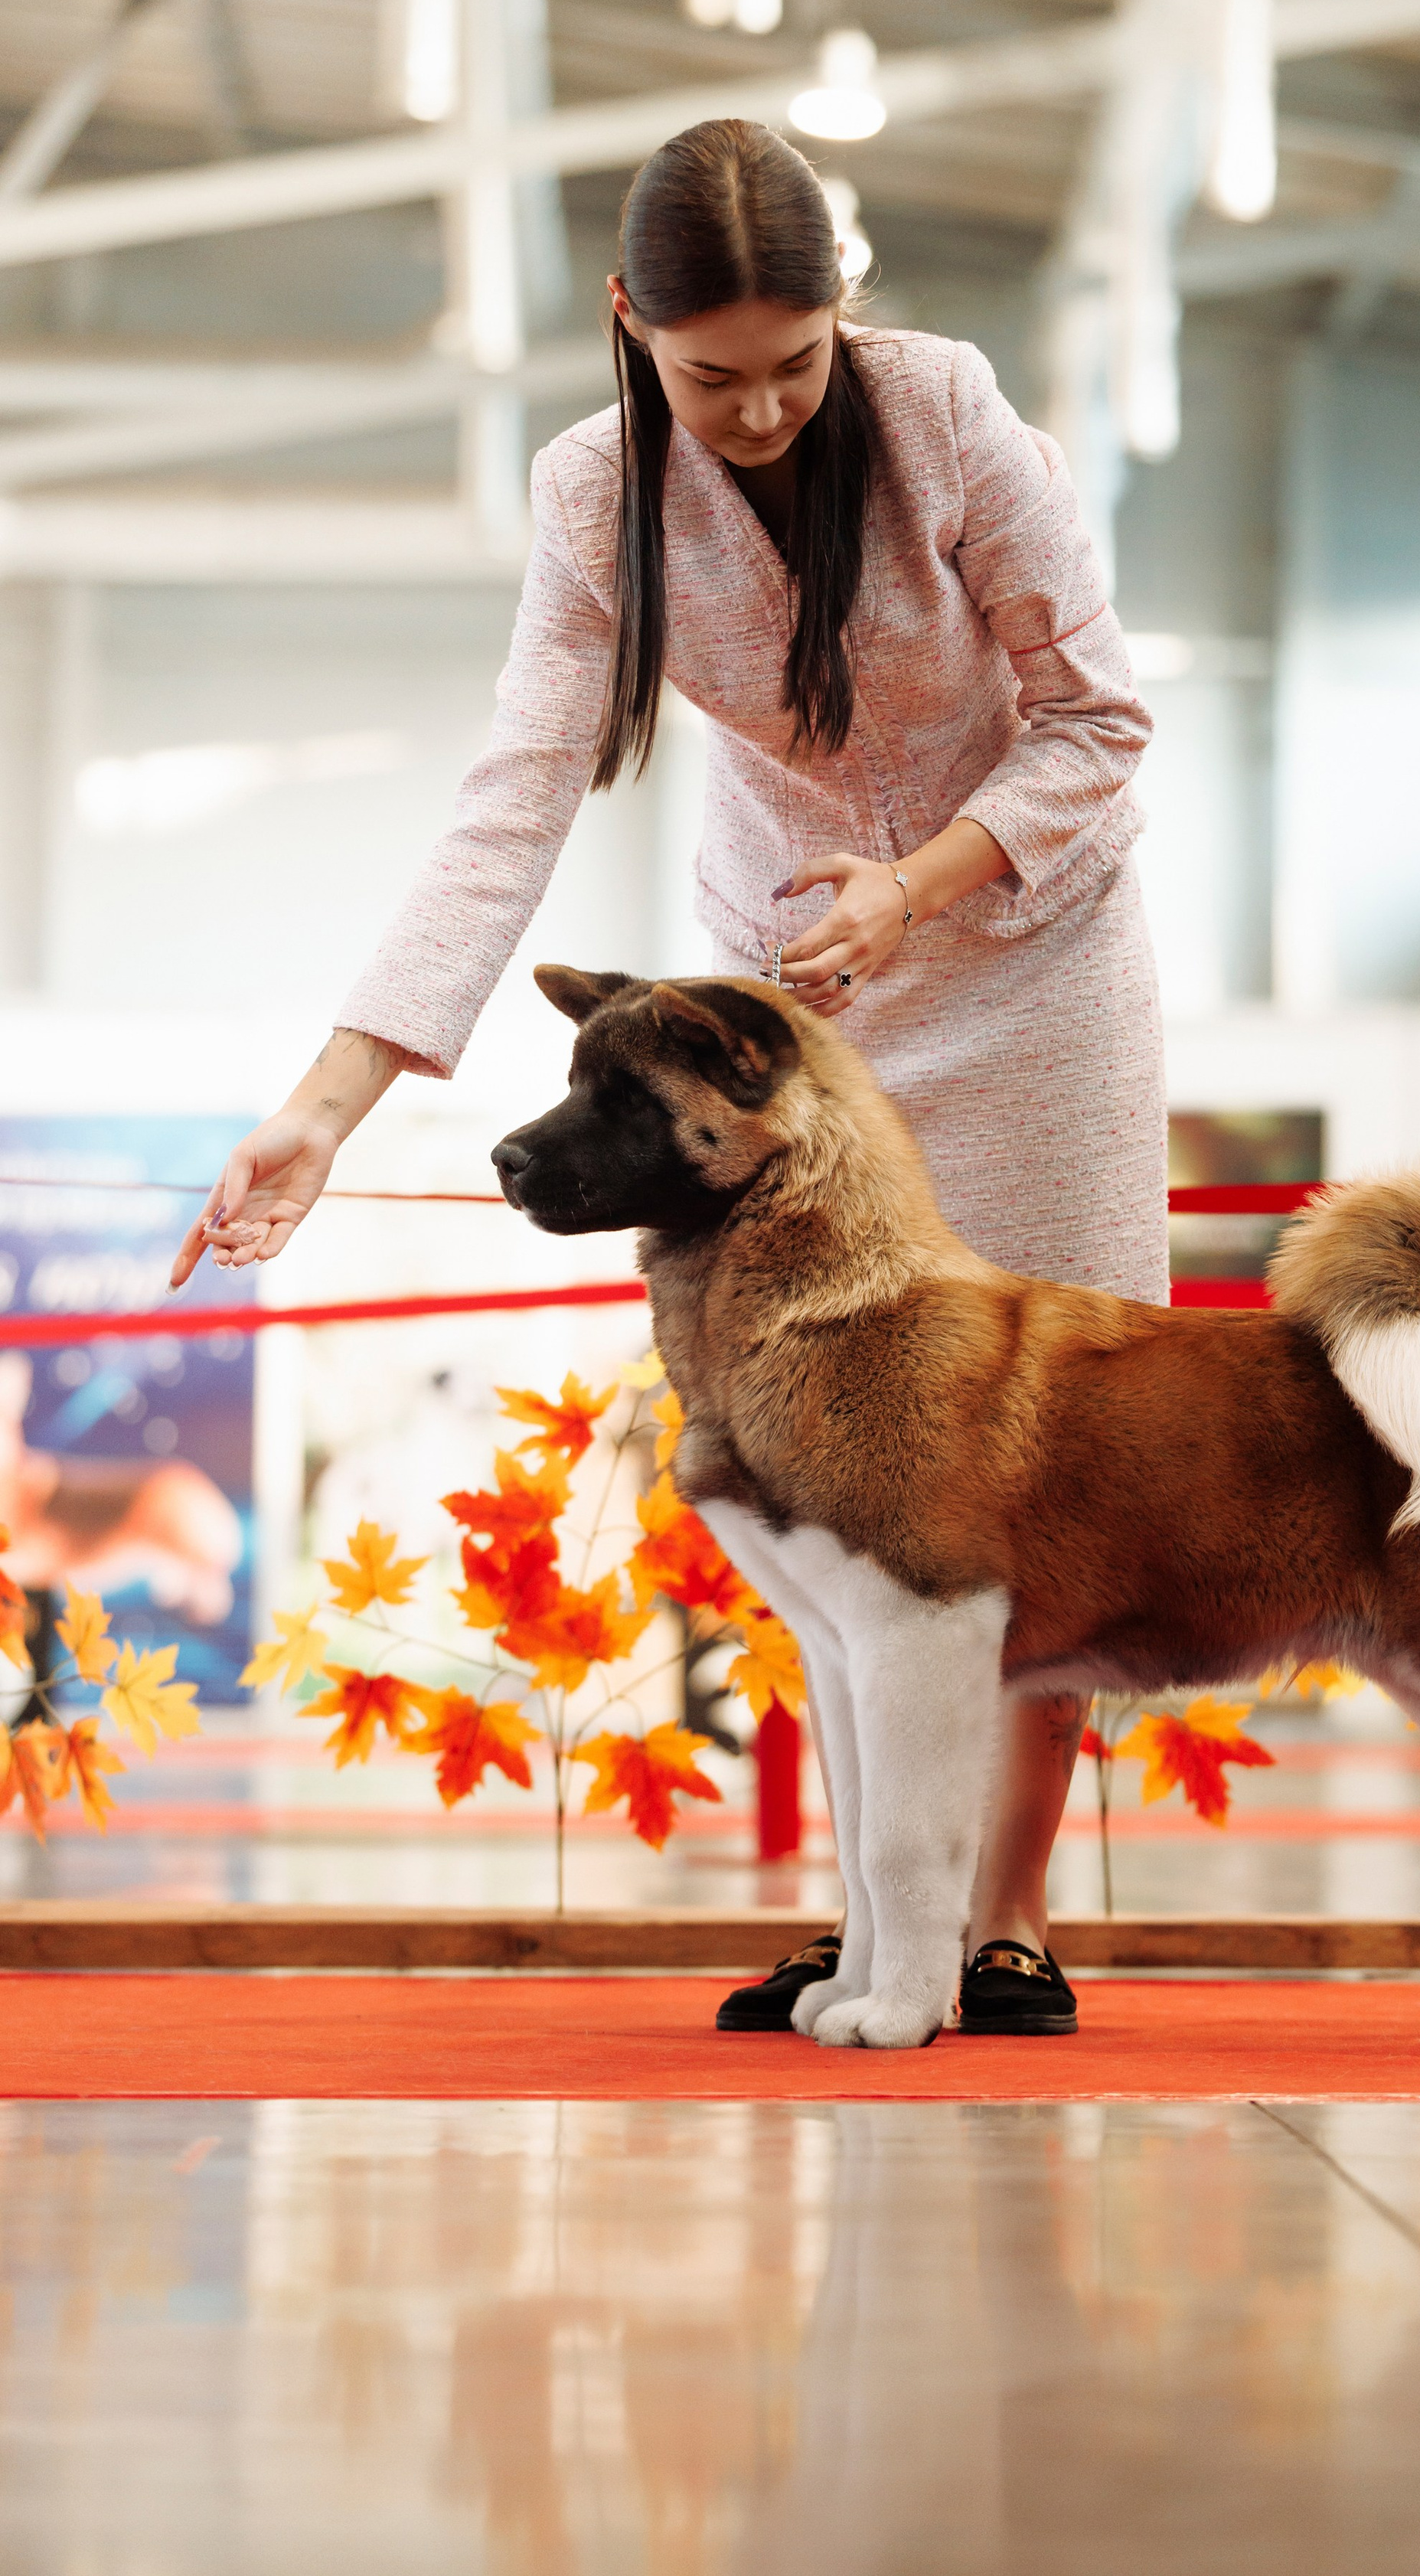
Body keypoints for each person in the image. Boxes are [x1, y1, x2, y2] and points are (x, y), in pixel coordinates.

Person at [168, 119, 1166, 2039]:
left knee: (1039, 1453)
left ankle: (1003, 1918)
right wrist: (325, 1101)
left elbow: (1097, 719)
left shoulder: (947, 412)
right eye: (713, 375)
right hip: (785, 1003)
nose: (764, 408)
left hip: (1028, 945)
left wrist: (915, 883)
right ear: (629, 320)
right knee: (830, 1457)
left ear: (843, 315)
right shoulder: (589, 489)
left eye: (796, 361)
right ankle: (878, 1923)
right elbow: (512, 805)